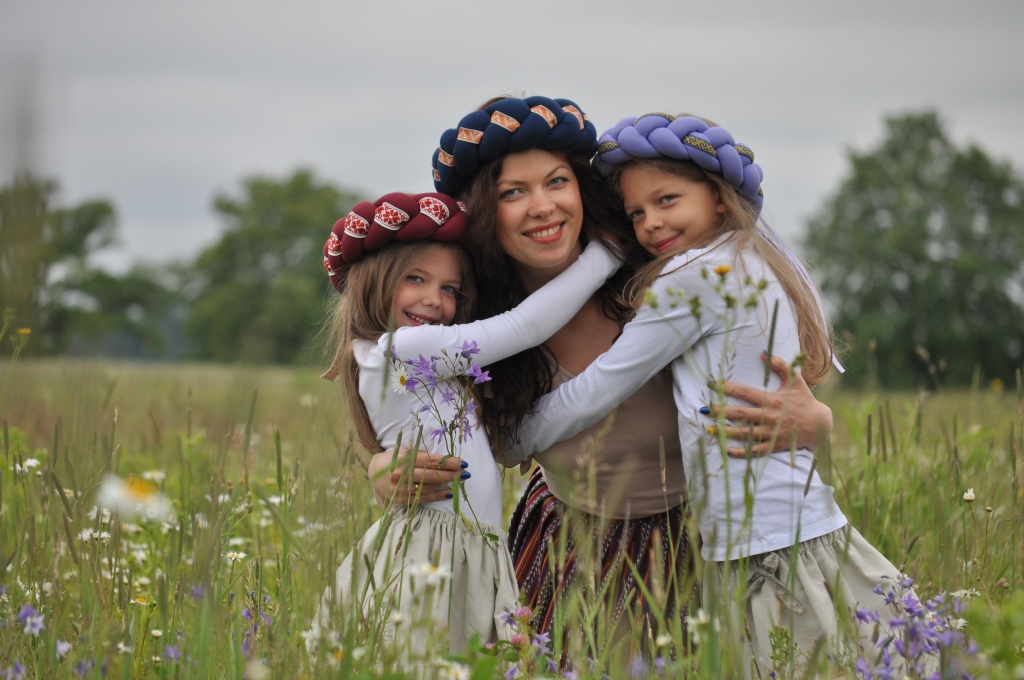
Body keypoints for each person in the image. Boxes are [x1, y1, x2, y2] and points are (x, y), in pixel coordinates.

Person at [366, 96, 834, 652]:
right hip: (570, 545)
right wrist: (383, 467)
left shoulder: (654, 271)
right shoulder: (472, 319)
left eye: (557, 182)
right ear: (487, 213)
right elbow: (408, 411)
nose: (543, 206)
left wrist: (818, 424)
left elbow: (778, 382)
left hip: (700, 544)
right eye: (513, 192)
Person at [504, 112, 909, 672]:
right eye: (637, 213)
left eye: (667, 200)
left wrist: (509, 441)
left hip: (760, 540)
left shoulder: (696, 275)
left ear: (719, 198)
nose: (650, 224)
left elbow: (601, 385)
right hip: (777, 525)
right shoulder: (743, 262)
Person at [312, 190, 622, 654]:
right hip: (433, 553)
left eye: (450, 288)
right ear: (373, 281)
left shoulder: (416, 361)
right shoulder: (401, 351)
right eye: (415, 278)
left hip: (464, 546)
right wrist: (608, 253)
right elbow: (526, 327)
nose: (433, 300)